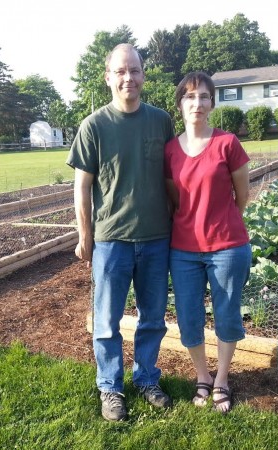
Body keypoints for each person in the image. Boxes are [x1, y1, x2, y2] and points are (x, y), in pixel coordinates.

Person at [66, 43, 175, 421]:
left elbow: (171, 178)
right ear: (109, 77)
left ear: (144, 75)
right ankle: (110, 388)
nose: (129, 77)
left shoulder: (160, 121)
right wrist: (85, 236)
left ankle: (146, 378)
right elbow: (82, 187)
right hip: (111, 241)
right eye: (121, 71)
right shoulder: (94, 125)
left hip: (156, 238)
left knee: (152, 318)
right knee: (106, 321)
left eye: (136, 70)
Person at [164, 71, 252, 414]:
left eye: (203, 96)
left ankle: (222, 380)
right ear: (180, 105)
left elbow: (241, 196)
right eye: (189, 96)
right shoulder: (170, 150)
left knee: (227, 314)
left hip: (228, 247)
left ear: (212, 103)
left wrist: (220, 222)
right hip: (183, 250)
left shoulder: (227, 143)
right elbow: (175, 200)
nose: (197, 103)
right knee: (188, 317)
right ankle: (202, 376)